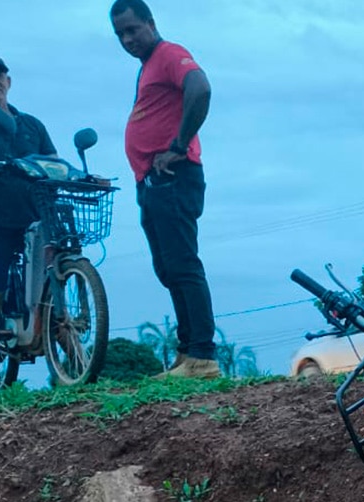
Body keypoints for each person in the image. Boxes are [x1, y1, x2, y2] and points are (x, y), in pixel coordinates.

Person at [111, 0, 221, 379]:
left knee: (183, 264)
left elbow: (200, 88)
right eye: (120, 34)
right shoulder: (147, 68)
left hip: (174, 177)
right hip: (152, 182)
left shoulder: (170, 54)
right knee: (168, 267)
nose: (127, 39)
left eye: (132, 30)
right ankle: (189, 354)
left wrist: (177, 145)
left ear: (150, 23)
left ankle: (204, 357)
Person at [0, 51, 57, 396]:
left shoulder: (31, 125)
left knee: (53, 276)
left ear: (8, 83)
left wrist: (82, 175)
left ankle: (68, 355)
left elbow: (53, 161)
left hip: (34, 217)